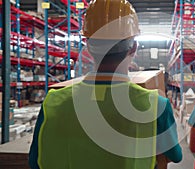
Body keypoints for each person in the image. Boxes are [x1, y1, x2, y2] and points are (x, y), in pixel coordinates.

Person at [28, 0, 182, 169]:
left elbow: (36, 160)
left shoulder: (54, 102)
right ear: (133, 48)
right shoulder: (155, 104)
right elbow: (175, 155)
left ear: (89, 47)